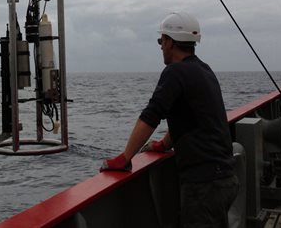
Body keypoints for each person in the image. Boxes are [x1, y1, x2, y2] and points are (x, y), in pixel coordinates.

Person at [100, 11, 238, 228]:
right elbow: (191, 116)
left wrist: (125, 158)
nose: (160, 46)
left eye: (161, 41)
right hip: (225, 177)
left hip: (205, 184)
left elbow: (151, 116)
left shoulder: (175, 73)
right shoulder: (203, 70)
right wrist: (164, 144)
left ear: (171, 42)